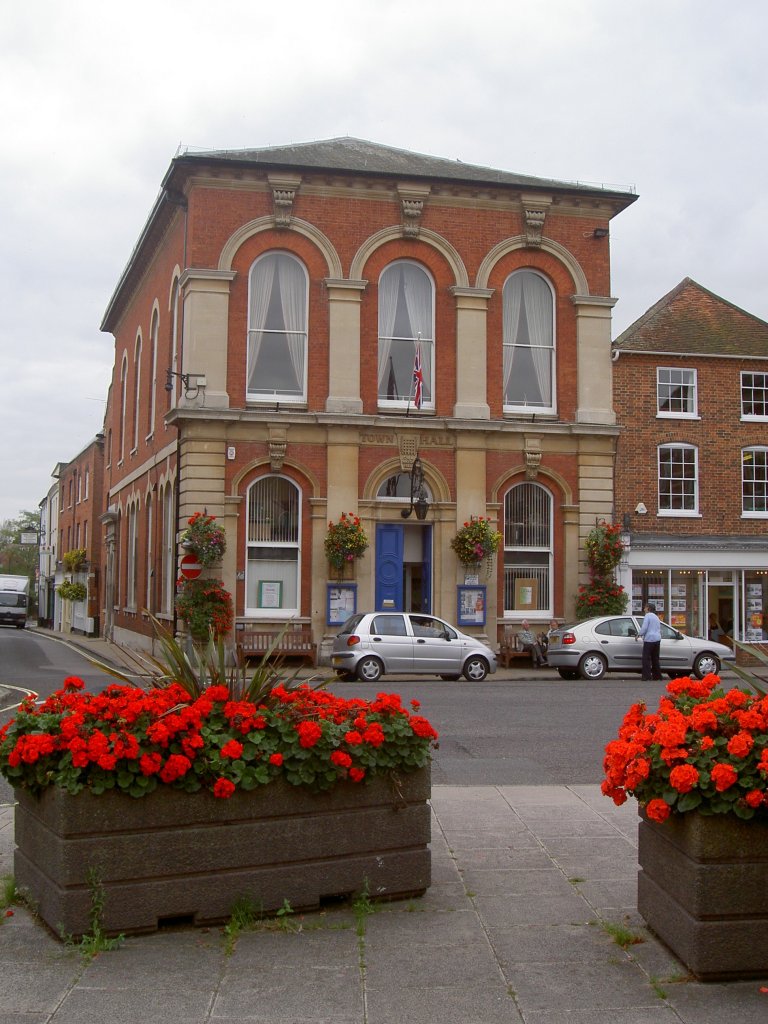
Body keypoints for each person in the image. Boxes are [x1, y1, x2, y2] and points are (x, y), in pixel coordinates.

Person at [637, 603, 662, 681]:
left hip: (649, 639)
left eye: (645, 608)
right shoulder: (656, 617)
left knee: (646, 658)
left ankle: (647, 676)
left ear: (648, 608)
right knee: (655, 658)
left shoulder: (647, 616)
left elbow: (644, 628)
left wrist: (639, 634)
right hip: (657, 639)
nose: (644, 609)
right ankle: (657, 676)